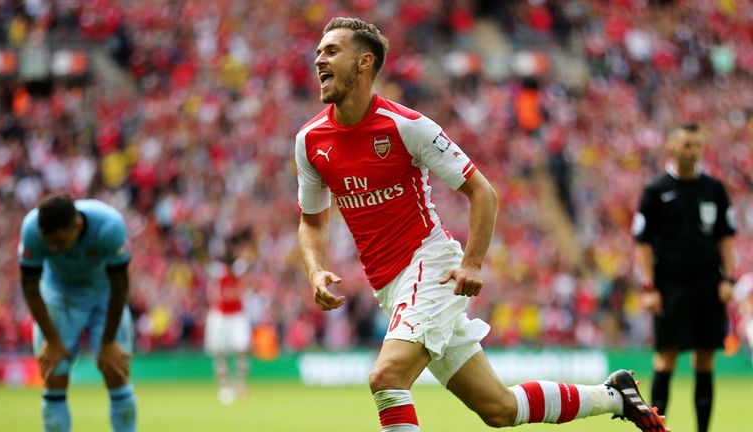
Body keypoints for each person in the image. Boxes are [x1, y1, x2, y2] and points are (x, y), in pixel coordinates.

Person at [296, 17, 667, 432]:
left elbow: (483, 191)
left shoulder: (407, 127)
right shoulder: (310, 140)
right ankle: (615, 395)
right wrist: (314, 269)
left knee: (386, 377)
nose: (319, 60)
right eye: (318, 52)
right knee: (499, 409)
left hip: (429, 266)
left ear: (364, 63)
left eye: (331, 51)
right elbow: (311, 221)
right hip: (388, 286)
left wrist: (472, 263)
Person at [632, 123, 737, 432]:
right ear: (672, 147)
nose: (693, 150)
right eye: (687, 145)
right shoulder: (655, 191)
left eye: (697, 145)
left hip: (707, 285)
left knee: (705, 361)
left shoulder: (714, 189)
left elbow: (726, 238)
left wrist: (728, 279)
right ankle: (657, 429)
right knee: (666, 360)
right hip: (670, 287)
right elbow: (642, 243)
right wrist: (649, 286)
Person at [18, 194, 136, 432]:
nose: (53, 248)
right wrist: (51, 341)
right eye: (48, 241)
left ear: (78, 226)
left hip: (104, 298)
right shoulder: (31, 229)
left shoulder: (109, 225)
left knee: (116, 370)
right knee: (54, 376)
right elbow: (30, 287)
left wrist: (109, 342)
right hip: (59, 298)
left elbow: (120, 285)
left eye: (59, 241)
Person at [204, 257, 252, 405]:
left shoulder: (239, 269)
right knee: (220, 352)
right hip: (221, 316)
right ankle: (224, 387)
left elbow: (251, 260)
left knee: (242, 349)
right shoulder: (219, 272)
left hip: (237, 315)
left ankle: (240, 384)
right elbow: (204, 262)